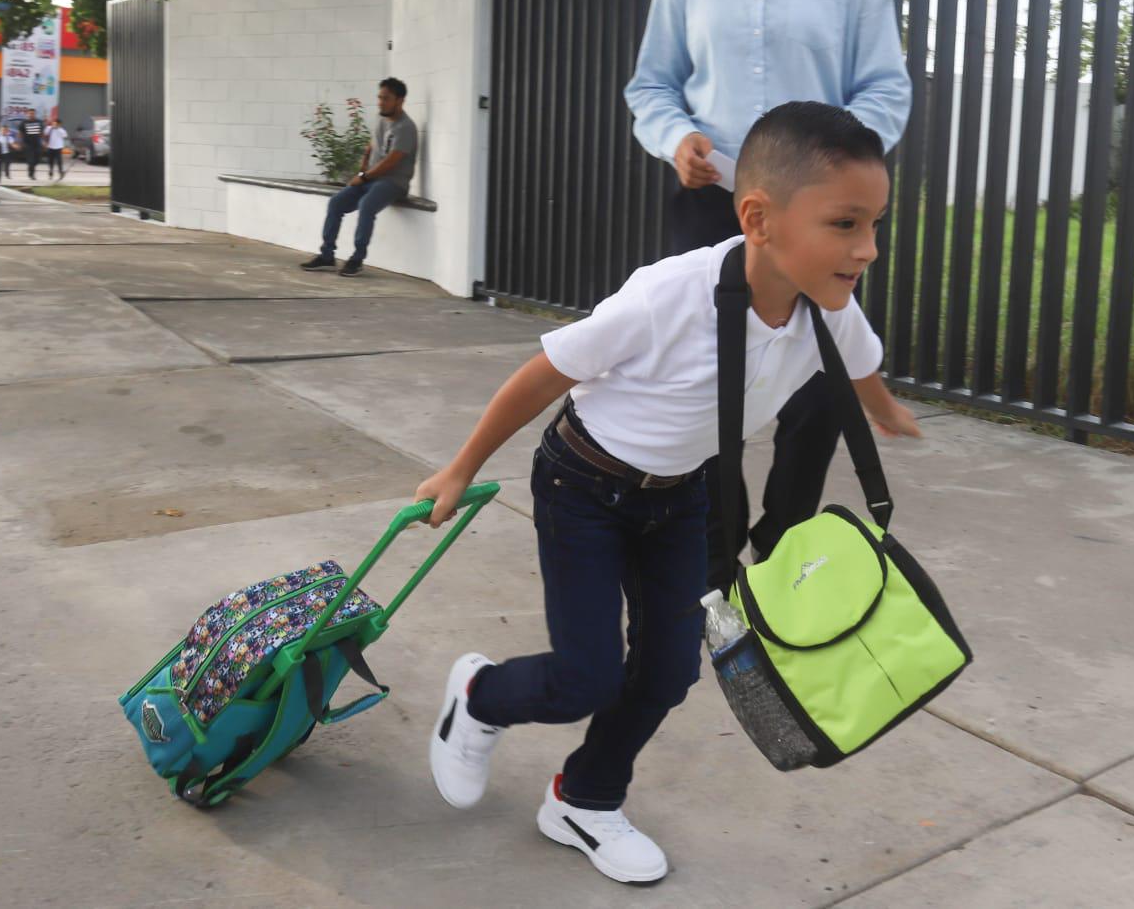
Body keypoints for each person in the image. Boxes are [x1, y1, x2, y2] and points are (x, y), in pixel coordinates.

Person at [416, 103, 919, 885]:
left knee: (667, 673)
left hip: (681, 497)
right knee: (587, 676)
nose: (868, 248)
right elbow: (547, 372)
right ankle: (481, 695)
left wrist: (885, 411)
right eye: (846, 224)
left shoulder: (831, 311)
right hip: (583, 484)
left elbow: (861, 365)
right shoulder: (669, 296)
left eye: (875, 224)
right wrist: (460, 466)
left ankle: (584, 798)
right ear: (759, 219)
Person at [624, 0, 912, 591]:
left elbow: (884, 87)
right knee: (711, 381)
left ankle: (782, 538)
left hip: (818, 213)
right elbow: (653, 85)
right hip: (714, 202)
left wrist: (833, 175)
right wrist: (675, 138)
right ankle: (713, 555)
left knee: (817, 388)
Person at [300, 77, 417, 277]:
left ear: (400, 100)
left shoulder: (406, 128)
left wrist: (364, 178)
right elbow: (371, 145)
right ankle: (327, 256)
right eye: (379, 97)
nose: (381, 102)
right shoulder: (381, 119)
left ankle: (357, 259)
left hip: (393, 182)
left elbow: (391, 162)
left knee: (366, 205)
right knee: (336, 203)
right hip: (371, 178)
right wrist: (362, 169)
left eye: (386, 98)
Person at [17, 108, 45, 179]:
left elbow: (42, 133)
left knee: (38, 159)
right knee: (31, 160)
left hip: (37, 143)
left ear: (35, 114)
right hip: (27, 144)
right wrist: (20, 143)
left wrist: (44, 142)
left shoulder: (39, 122)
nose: (31, 115)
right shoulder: (24, 123)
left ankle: (31, 167)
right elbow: (20, 134)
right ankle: (31, 174)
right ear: (27, 114)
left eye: (33, 113)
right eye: (30, 113)